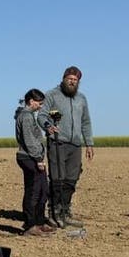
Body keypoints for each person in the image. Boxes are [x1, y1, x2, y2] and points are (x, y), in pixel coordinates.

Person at [40, 66, 94, 228]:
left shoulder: (81, 99)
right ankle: (54, 213)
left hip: (75, 144)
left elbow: (86, 122)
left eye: (75, 80)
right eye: (69, 78)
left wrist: (89, 143)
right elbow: (42, 115)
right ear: (64, 78)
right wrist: (48, 126)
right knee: (57, 179)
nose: (72, 82)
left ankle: (65, 211)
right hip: (58, 142)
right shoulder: (52, 95)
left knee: (71, 179)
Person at [15, 89, 55, 236]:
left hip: (34, 157)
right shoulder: (25, 117)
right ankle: (30, 225)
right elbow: (29, 140)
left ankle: (39, 222)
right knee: (33, 192)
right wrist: (38, 159)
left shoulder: (30, 116)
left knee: (43, 190)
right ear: (31, 101)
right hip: (29, 158)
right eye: (39, 103)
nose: (40, 106)